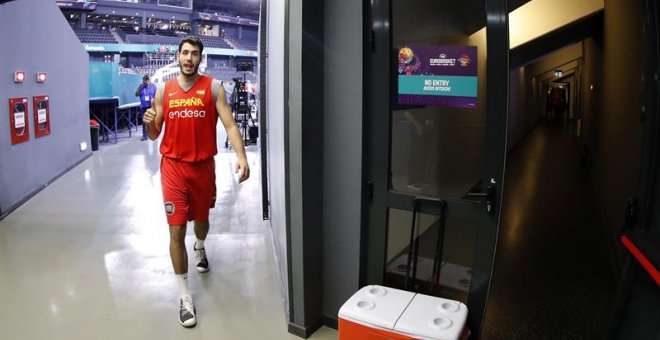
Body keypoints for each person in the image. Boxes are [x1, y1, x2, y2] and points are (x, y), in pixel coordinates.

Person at [142, 36, 250, 328]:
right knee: (175, 230)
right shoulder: (164, 90)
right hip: (173, 168)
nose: (189, 58)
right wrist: (148, 120)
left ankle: (200, 245)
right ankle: (184, 295)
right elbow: (154, 134)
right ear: (178, 56)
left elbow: (229, 123)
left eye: (194, 54)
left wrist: (242, 155)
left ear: (200, 59)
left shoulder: (213, 87)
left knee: (201, 221)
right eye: (185, 53)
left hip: (203, 168)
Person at [135, 74, 157, 140]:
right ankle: (145, 136)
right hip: (143, 107)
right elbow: (136, 94)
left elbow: (157, 95)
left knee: (152, 121)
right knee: (144, 121)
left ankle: (153, 134)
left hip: (150, 106)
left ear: (148, 80)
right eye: (143, 81)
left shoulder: (153, 86)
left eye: (146, 82)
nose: (145, 83)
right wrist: (139, 87)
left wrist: (154, 99)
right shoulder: (141, 86)